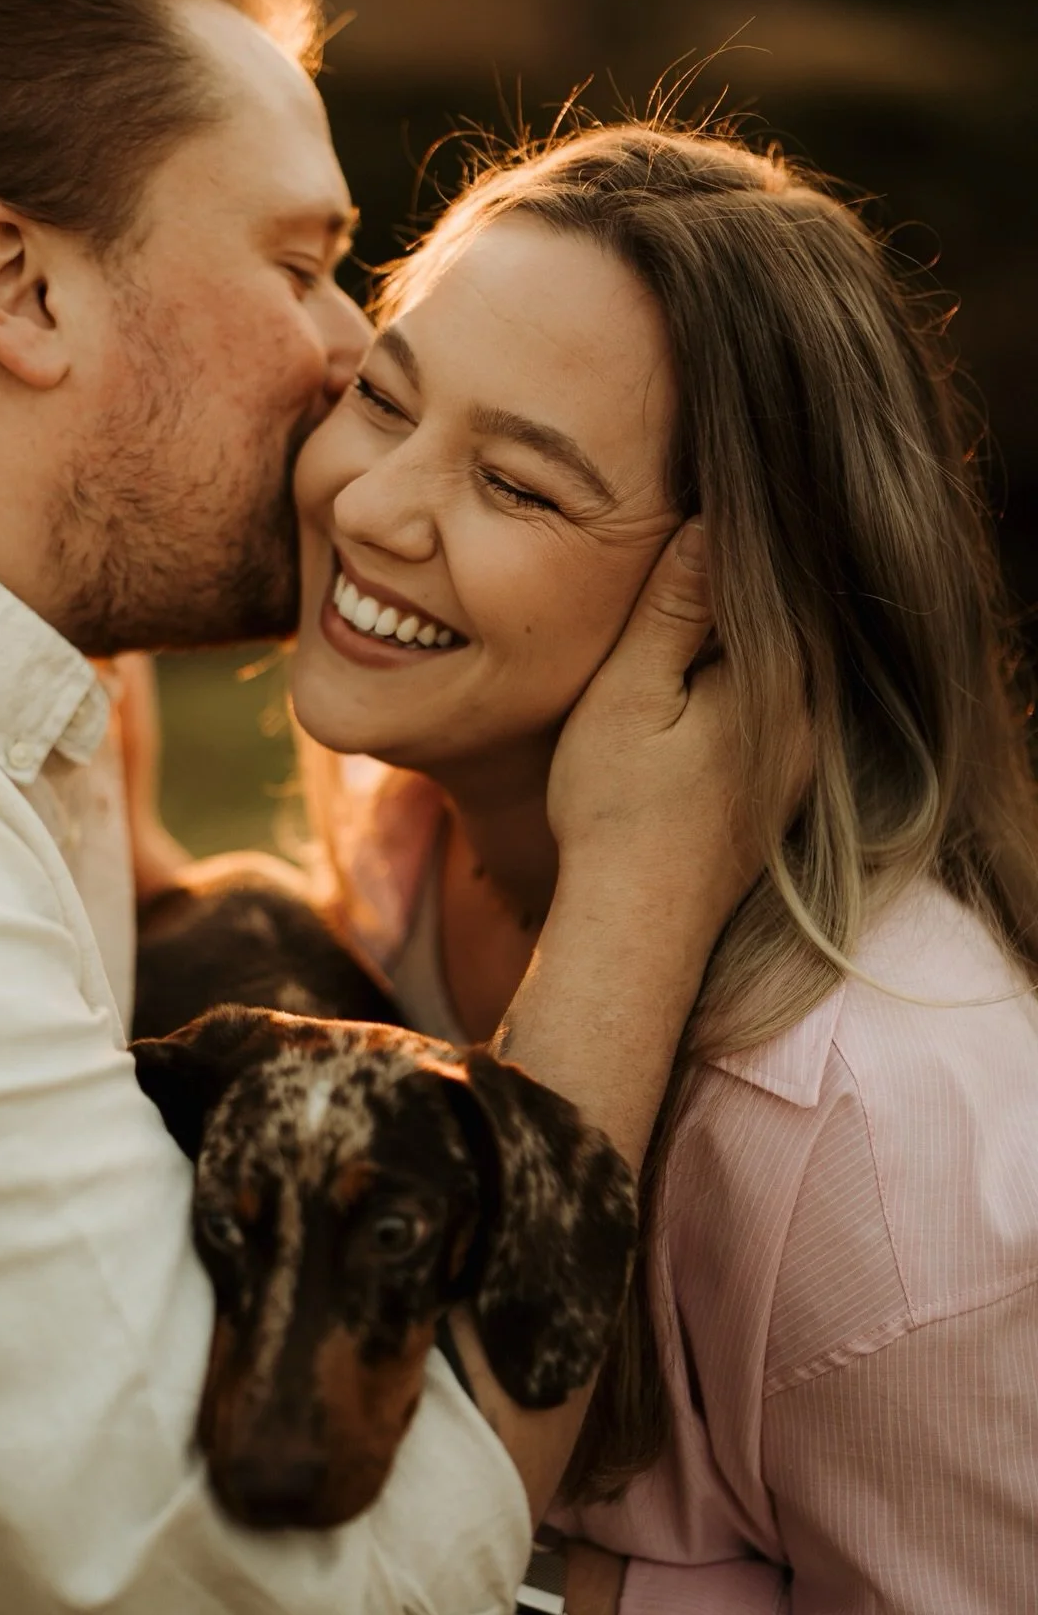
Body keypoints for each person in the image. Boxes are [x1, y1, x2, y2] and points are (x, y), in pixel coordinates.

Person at [0, 0, 755, 1615]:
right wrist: (648, 880)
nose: (351, 347)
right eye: (297, 264)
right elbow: (319, 1586)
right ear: (21, 288)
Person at [258, 122, 1038, 1612]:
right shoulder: (411, 832)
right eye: (383, 399)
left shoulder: (883, 1145)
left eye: (519, 486)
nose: (367, 504)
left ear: (732, 610)